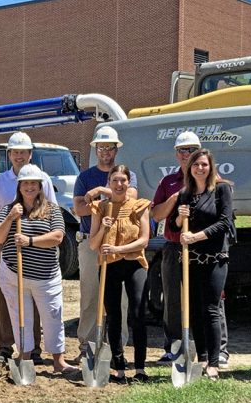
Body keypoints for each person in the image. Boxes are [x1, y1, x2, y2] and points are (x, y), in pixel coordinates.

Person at [152, 132, 232, 365]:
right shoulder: (169, 183)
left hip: (206, 249)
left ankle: (220, 350)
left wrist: (196, 237)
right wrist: (175, 200)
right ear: (177, 154)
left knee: (213, 301)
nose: (187, 155)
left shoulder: (214, 183)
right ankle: (176, 346)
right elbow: (157, 215)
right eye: (182, 150)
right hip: (175, 246)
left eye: (192, 150)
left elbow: (223, 220)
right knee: (176, 300)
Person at [0, 163, 75, 375]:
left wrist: (29, 240)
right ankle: (24, 357)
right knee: (20, 316)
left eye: (33, 184)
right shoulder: (9, 209)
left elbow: (57, 237)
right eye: (25, 183)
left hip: (46, 276)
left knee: (53, 315)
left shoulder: (52, 210)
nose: (29, 187)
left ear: (40, 186)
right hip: (13, 274)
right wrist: (10, 218)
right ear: (19, 186)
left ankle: (58, 360)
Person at [0, 131, 57, 364]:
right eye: (15, 152)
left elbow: (51, 208)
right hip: (6, 247)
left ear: (30, 153)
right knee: (6, 296)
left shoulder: (42, 178)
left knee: (34, 298)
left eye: (23, 152)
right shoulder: (0, 180)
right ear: (10, 154)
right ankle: (5, 345)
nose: (19, 156)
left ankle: (32, 348)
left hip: (34, 249)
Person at [169, 149, 234, 381]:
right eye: (196, 165)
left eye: (204, 165)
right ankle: (203, 358)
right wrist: (179, 217)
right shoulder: (184, 194)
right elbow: (174, 227)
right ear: (190, 168)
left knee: (211, 309)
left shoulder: (221, 189)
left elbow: (225, 222)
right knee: (195, 309)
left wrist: (196, 237)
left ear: (211, 167)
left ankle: (214, 363)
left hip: (215, 259)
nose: (200, 168)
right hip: (190, 260)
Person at [73, 125, 136, 361]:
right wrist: (106, 199)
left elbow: (131, 199)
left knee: (120, 298)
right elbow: (79, 208)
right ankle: (87, 347)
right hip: (91, 242)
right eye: (101, 148)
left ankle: (116, 348)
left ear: (115, 150)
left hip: (119, 245)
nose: (105, 152)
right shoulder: (84, 177)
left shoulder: (126, 174)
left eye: (109, 148)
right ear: (95, 150)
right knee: (90, 296)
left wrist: (101, 191)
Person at [88, 166, 151, 383]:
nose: (119, 184)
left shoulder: (139, 206)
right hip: (109, 266)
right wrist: (103, 230)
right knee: (113, 315)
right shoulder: (100, 208)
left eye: (123, 180)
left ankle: (141, 368)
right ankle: (120, 367)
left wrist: (118, 250)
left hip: (134, 263)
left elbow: (144, 240)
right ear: (109, 182)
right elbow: (93, 244)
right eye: (115, 180)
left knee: (137, 314)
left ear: (129, 182)